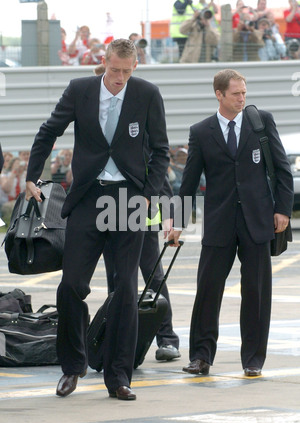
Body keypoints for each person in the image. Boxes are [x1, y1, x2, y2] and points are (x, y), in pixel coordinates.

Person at [25, 39, 169, 400]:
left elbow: (162, 150)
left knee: (124, 290)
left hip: (128, 199)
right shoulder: (80, 90)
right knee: (71, 285)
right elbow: (48, 131)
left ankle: (118, 376)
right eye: (114, 69)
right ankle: (73, 367)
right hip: (88, 198)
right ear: (103, 63)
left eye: (127, 70)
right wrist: (31, 175)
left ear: (135, 67)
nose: (120, 77)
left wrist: (148, 196)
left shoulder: (147, 94)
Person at [168, 69, 294, 377]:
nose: (242, 98)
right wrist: (177, 221)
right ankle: (200, 356)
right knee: (208, 290)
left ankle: (253, 359)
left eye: (244, 93)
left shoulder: (260, 121)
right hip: (219, 221)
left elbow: (281, 169)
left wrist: (283, 211)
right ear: (219, 94)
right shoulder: (201, 131)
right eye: (236, 93)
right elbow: (189, 181)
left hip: (257, 219)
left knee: (256, 292)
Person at [103, 173, 180, 362]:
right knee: (117, 281)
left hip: (144, 221)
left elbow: (159, 177)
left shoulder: (139, 144)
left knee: (154, 278)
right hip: (110, 219)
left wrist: (171, 216)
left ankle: (167, 339)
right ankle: (118, 339)